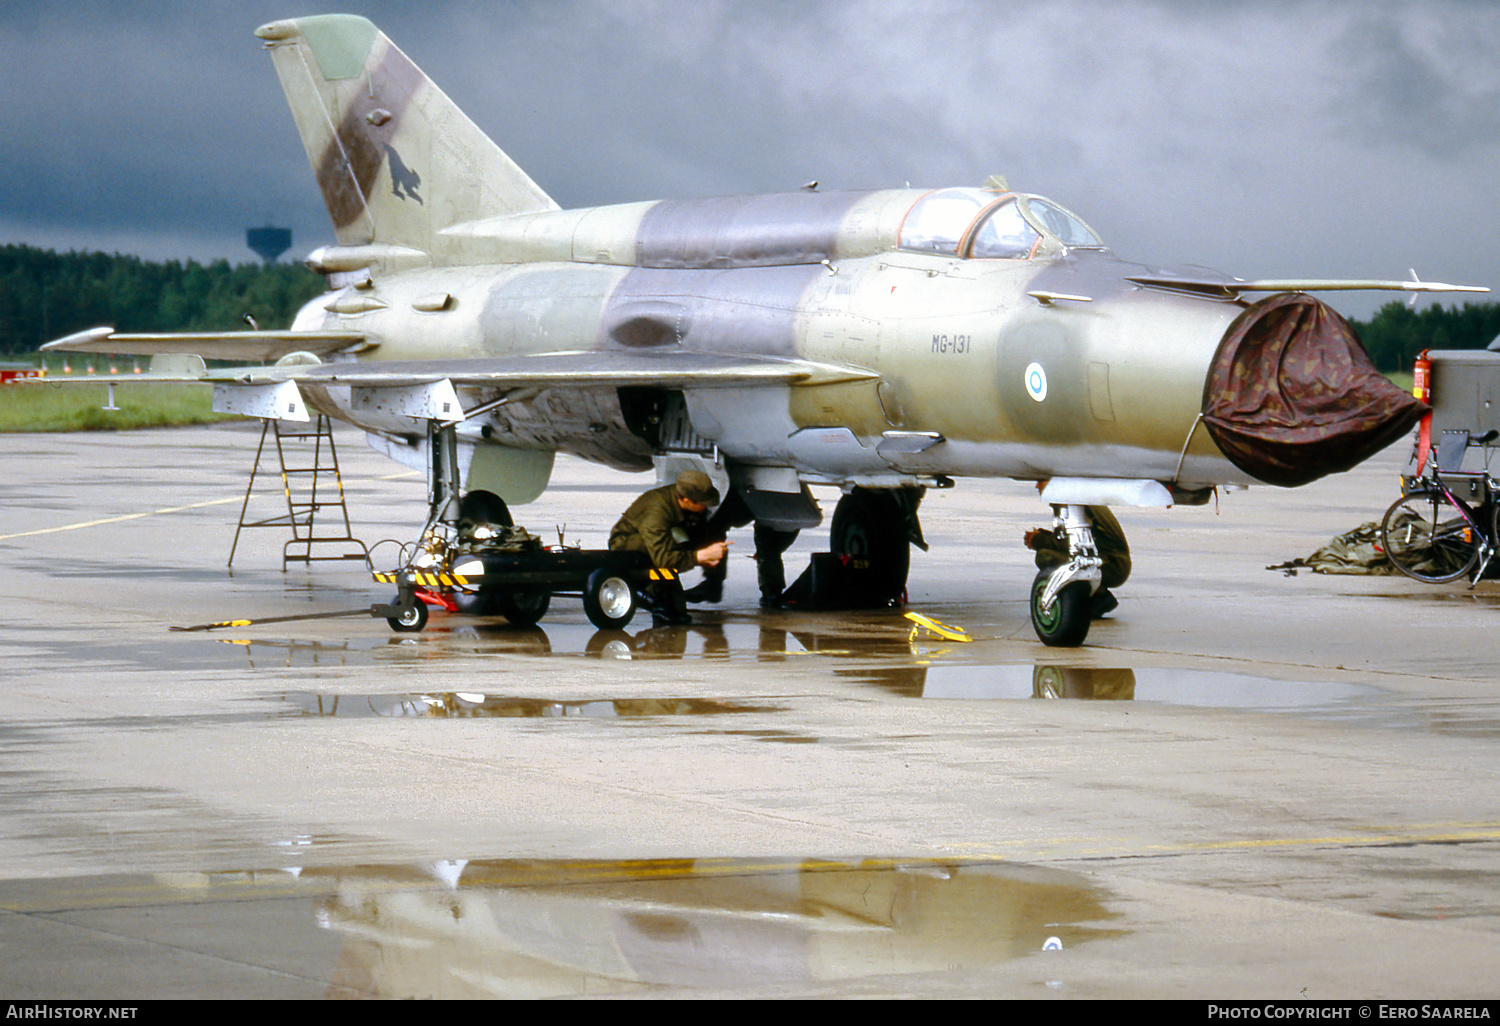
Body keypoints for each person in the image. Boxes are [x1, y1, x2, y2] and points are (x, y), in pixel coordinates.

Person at [609, 471, 732, 625]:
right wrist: (699, 556)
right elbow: (664, 559)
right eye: (702, 503)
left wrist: (712, 554)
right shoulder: (657, 510)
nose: (706, 506)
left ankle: (711, 587)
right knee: (669, 612)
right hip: (627, 547)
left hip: (666, 542)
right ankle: (655, 591)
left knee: (678, 613)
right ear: (686, 500)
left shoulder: (686, 502)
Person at [1024, 503, 1131, 618]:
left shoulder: (1070, 503)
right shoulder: (1076, 496)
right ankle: (1094, 595)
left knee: (1045, 556)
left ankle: (1099, 596)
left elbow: (1073, 543)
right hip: (1112, 559)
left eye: (1040, 483)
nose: (1037, 487)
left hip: (1113, 565)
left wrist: (1037, 540)